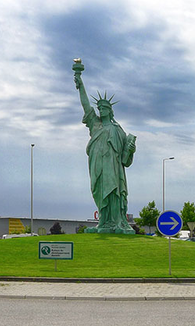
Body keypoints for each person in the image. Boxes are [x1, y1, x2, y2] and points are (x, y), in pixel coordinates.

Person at [74, 62, 136, 234]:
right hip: (98, 167)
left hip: (114, 169)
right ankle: (103, 222)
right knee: (100, 192)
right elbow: (86, 105)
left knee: (114, 193)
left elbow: (125, 160)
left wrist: (131, 149)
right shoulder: (95, 125)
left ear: (110, 110)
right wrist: (80, 83)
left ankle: (117, 223)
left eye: (104, 108)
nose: (100, 110)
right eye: (99, 108)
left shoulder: (117, 130)